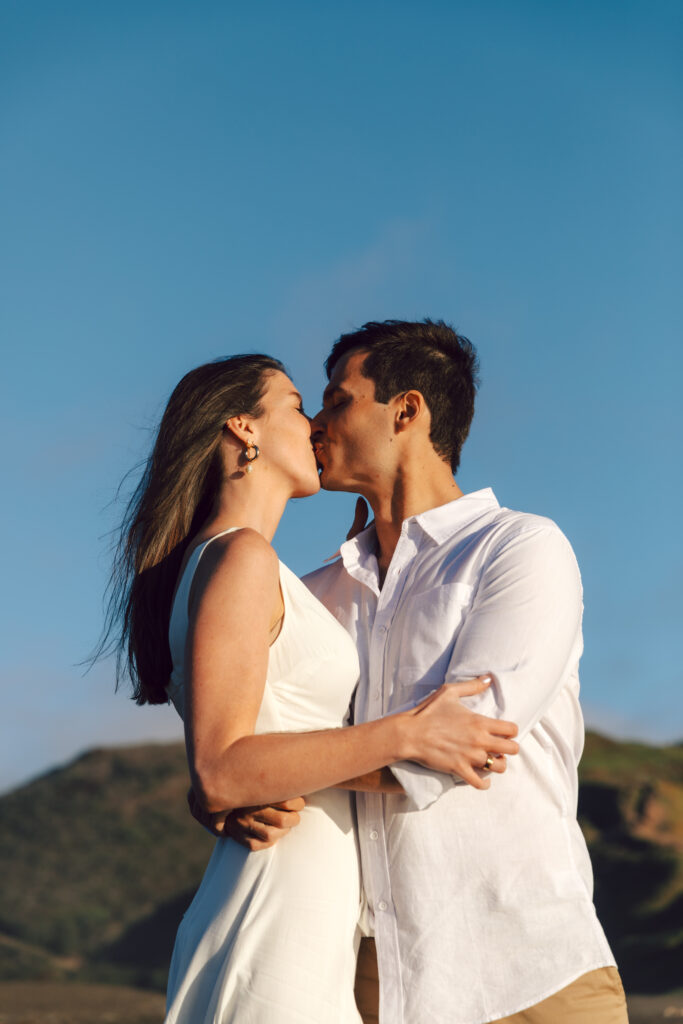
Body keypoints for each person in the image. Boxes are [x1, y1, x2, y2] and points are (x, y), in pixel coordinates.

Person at [222, 321, 629, 1024]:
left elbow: (460, 751)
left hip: (529, 976)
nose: (315, 423)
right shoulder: (314, 593)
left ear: (406, 411)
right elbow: (233, 757)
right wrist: (233, 786)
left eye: (336, 400)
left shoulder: (519, 550)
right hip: (372, 988)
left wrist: (267, 767)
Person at [102, 352, 519, 1024]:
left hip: (303, 908)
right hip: (278, 905)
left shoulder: (242, 564)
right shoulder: (240, 558)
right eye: (297, 405)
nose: (316, 424)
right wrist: (407, 732)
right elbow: (219, 770)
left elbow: (248, 751)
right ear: (244, 428)